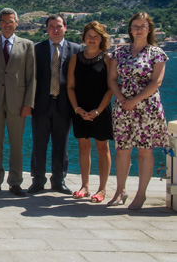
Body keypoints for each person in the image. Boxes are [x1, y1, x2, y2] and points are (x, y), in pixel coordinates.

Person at [107, 12, 168, 210]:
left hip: (146, 108)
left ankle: (140, 194)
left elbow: (156, 82)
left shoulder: (156, 53)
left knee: (144, 150)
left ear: (149, 29)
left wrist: (134, 100)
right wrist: (123, 99)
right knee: (122, 150)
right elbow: (112, 79)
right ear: (130, 29)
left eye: (143, 26)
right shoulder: (120, 53)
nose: (139, 29)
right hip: (123, 106)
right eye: (135, 26)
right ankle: (120, 191)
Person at [0, 8, 36, 197]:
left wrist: (29, 103)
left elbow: (31, 77)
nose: (7, 24)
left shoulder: (27, 45)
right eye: (4, 21)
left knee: (17, 144)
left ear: (16, 23)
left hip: (18, 103)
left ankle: (15, 182)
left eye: (11, 21)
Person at [28, 15, 82, 195]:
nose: (55, 30)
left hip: (64, 105)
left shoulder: (76, 50)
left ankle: (59, 180)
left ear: (65, 27)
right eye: (51, 26)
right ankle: (38, 180)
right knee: (39, 145)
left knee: (61, 145)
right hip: (41, 104)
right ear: (47, 29)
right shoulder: (37, 49)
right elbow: (31, 79)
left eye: (58, 26)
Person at [67, 22, 114, 203]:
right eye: (89, 36)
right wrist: (78, 109)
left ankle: (102, 189)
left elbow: (111, 88)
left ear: (101, 38)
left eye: (96, 36)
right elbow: (70, 87)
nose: (92, 39)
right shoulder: (75, 59)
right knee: (83, 148)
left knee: (103, 148)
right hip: (80, 109)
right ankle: (84, 186)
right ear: (84, 38)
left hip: (100, 109)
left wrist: (98, 111)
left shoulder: (108, 58)